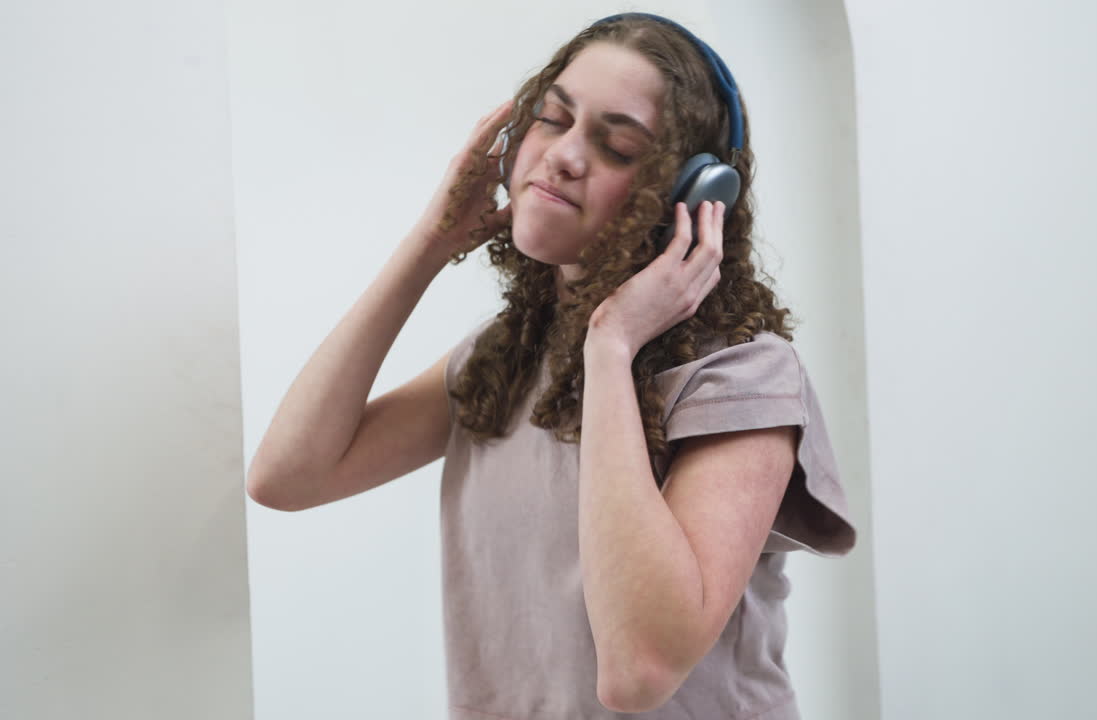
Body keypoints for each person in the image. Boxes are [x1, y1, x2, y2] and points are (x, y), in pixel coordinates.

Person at [247, 12, 855, 719]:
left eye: (618, 145)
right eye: (551, 118)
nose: (563, 155)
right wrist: (432, 240)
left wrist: (610, 347)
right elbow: (288, 476)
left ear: (693, 195)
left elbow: (637, 674)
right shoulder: (503, 359)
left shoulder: (745, 378)